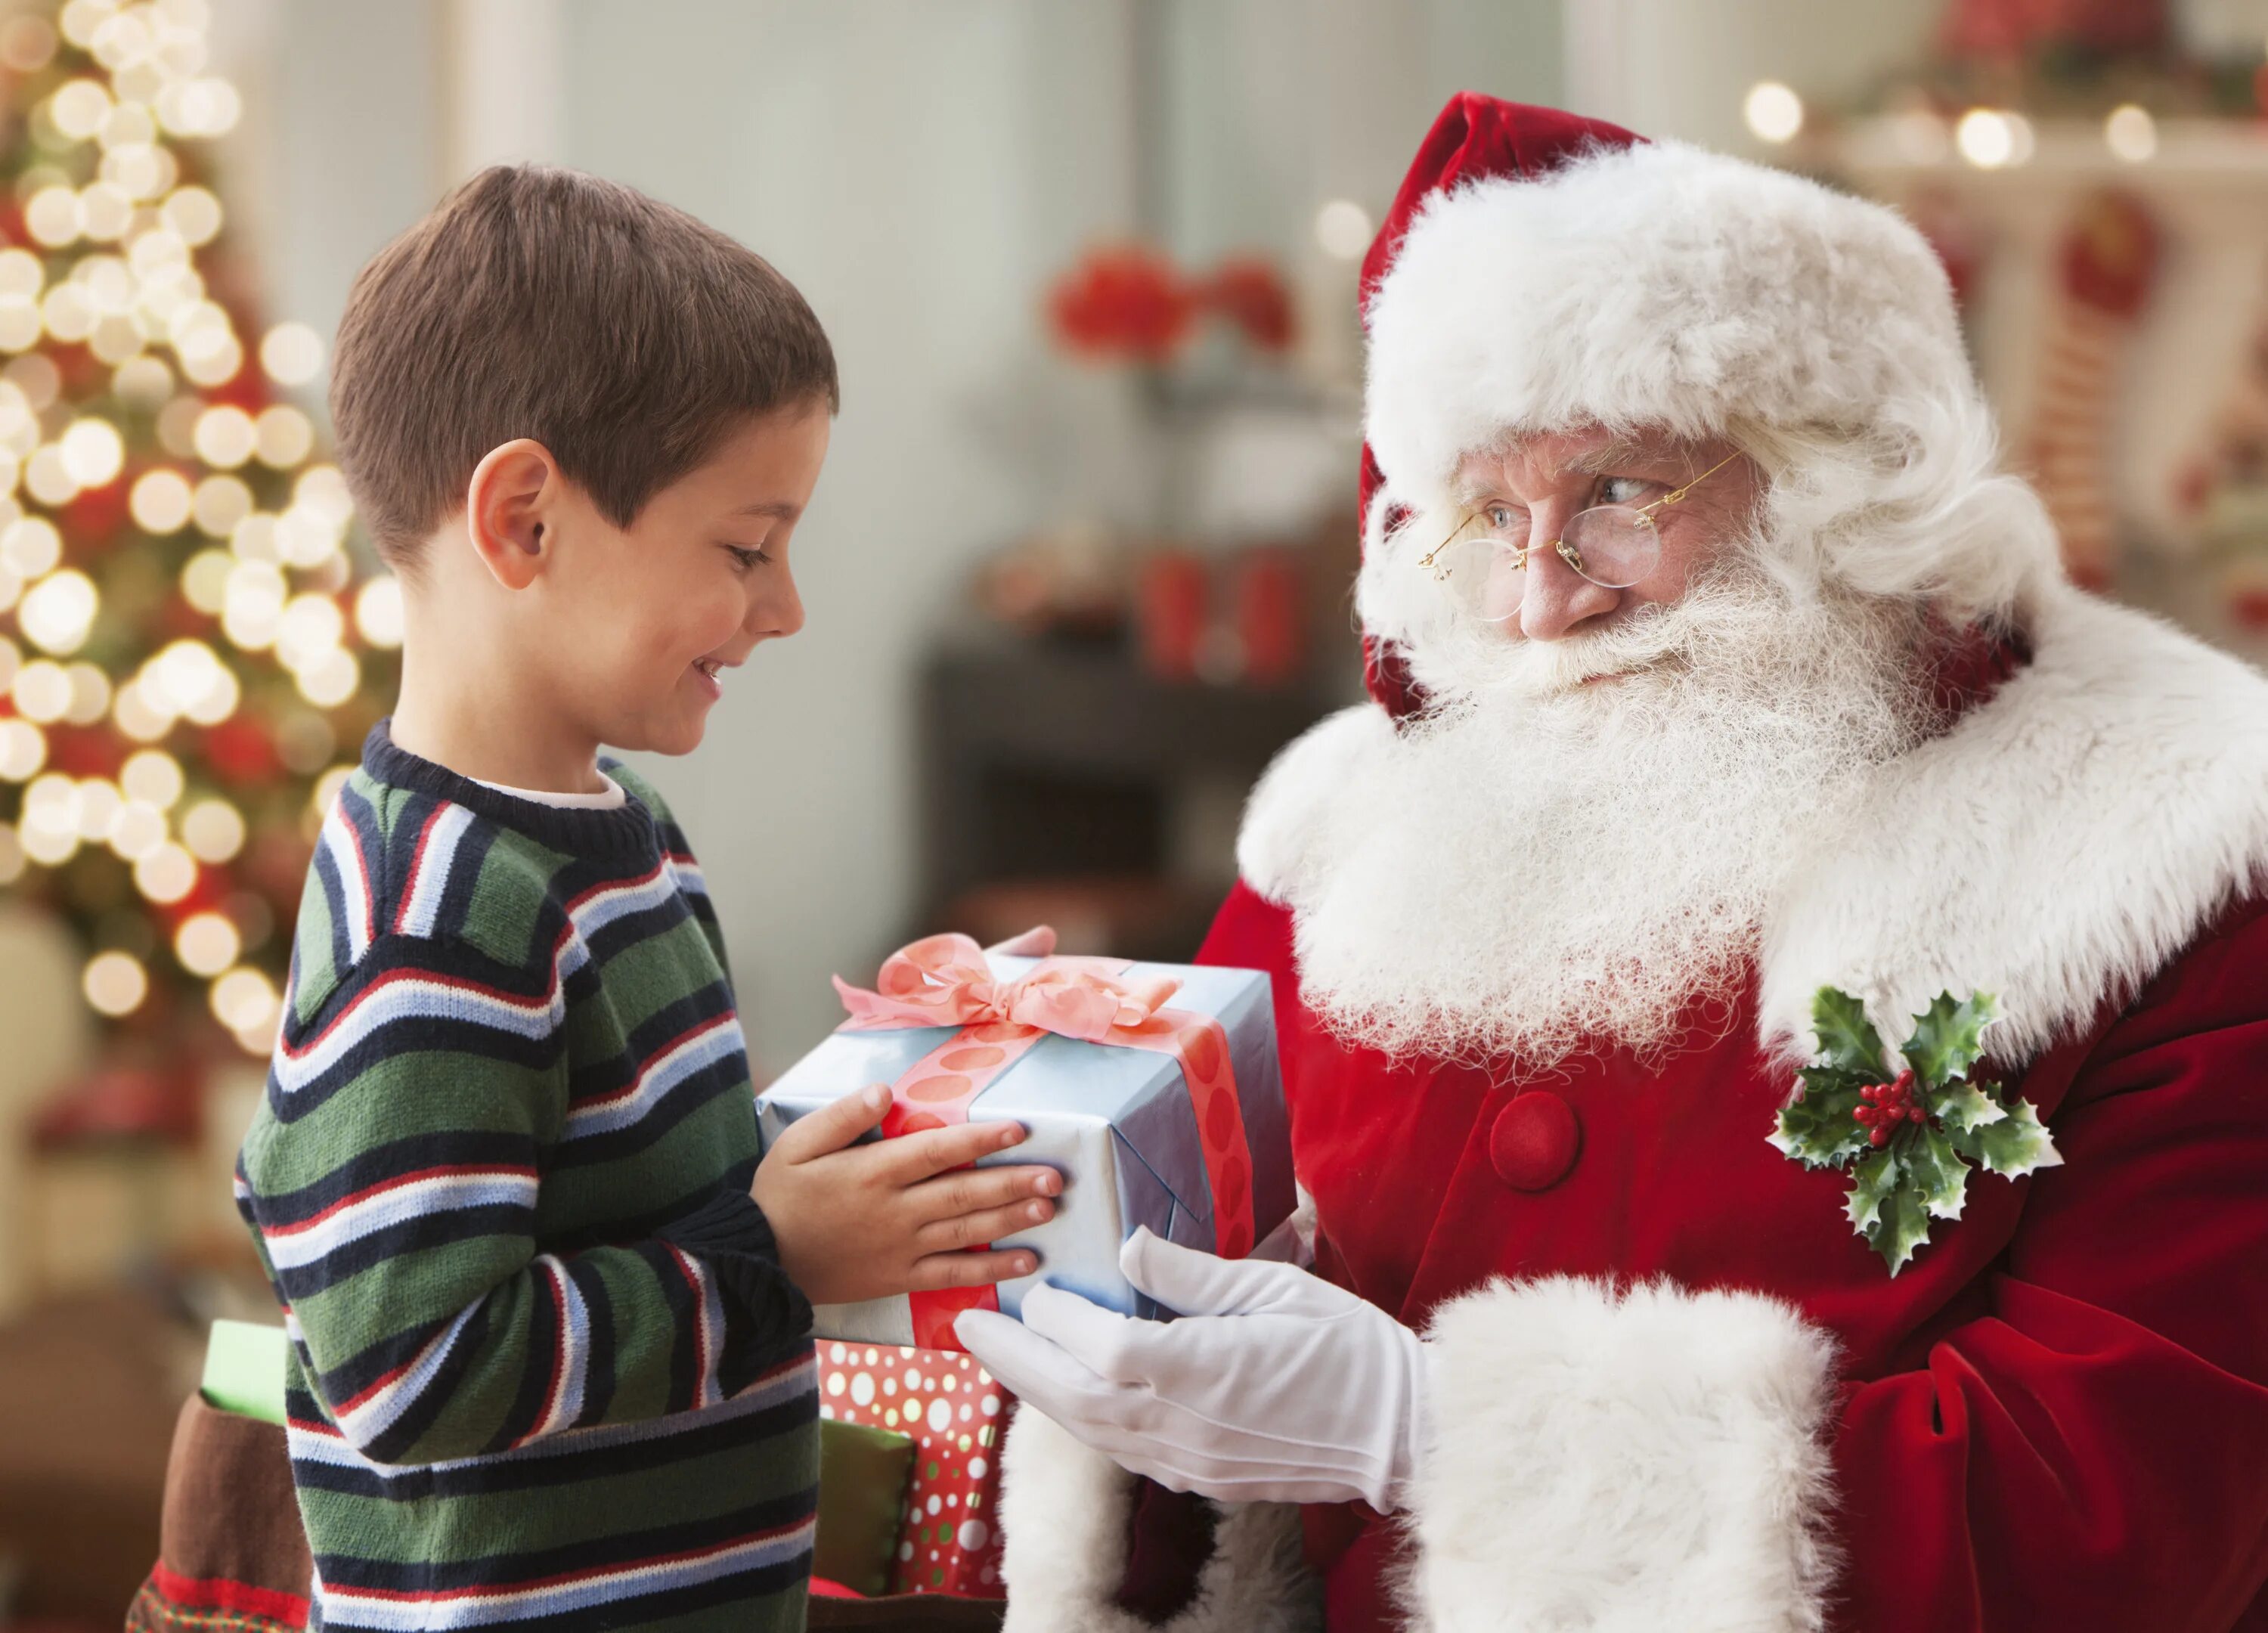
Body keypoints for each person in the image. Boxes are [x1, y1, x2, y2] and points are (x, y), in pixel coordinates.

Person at [956, 95, 2268, 1632]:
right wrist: (1054, 1173)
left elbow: (2117, 1522)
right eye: (1488, 514)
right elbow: (1150, 1440)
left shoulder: (2168, 852)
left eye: (1619, 497)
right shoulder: (1341, 828)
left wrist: (1429, 1431)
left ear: (1839, 483)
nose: (1536, 602)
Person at [229, 166, 1064, 1632]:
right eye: (745, 548)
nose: (786, 604)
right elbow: (411, 1369)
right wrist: (773, 1265)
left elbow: (657, 1184)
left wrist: (904, 1083)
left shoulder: (622, 835)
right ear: (527, 522)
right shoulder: (440, 918)